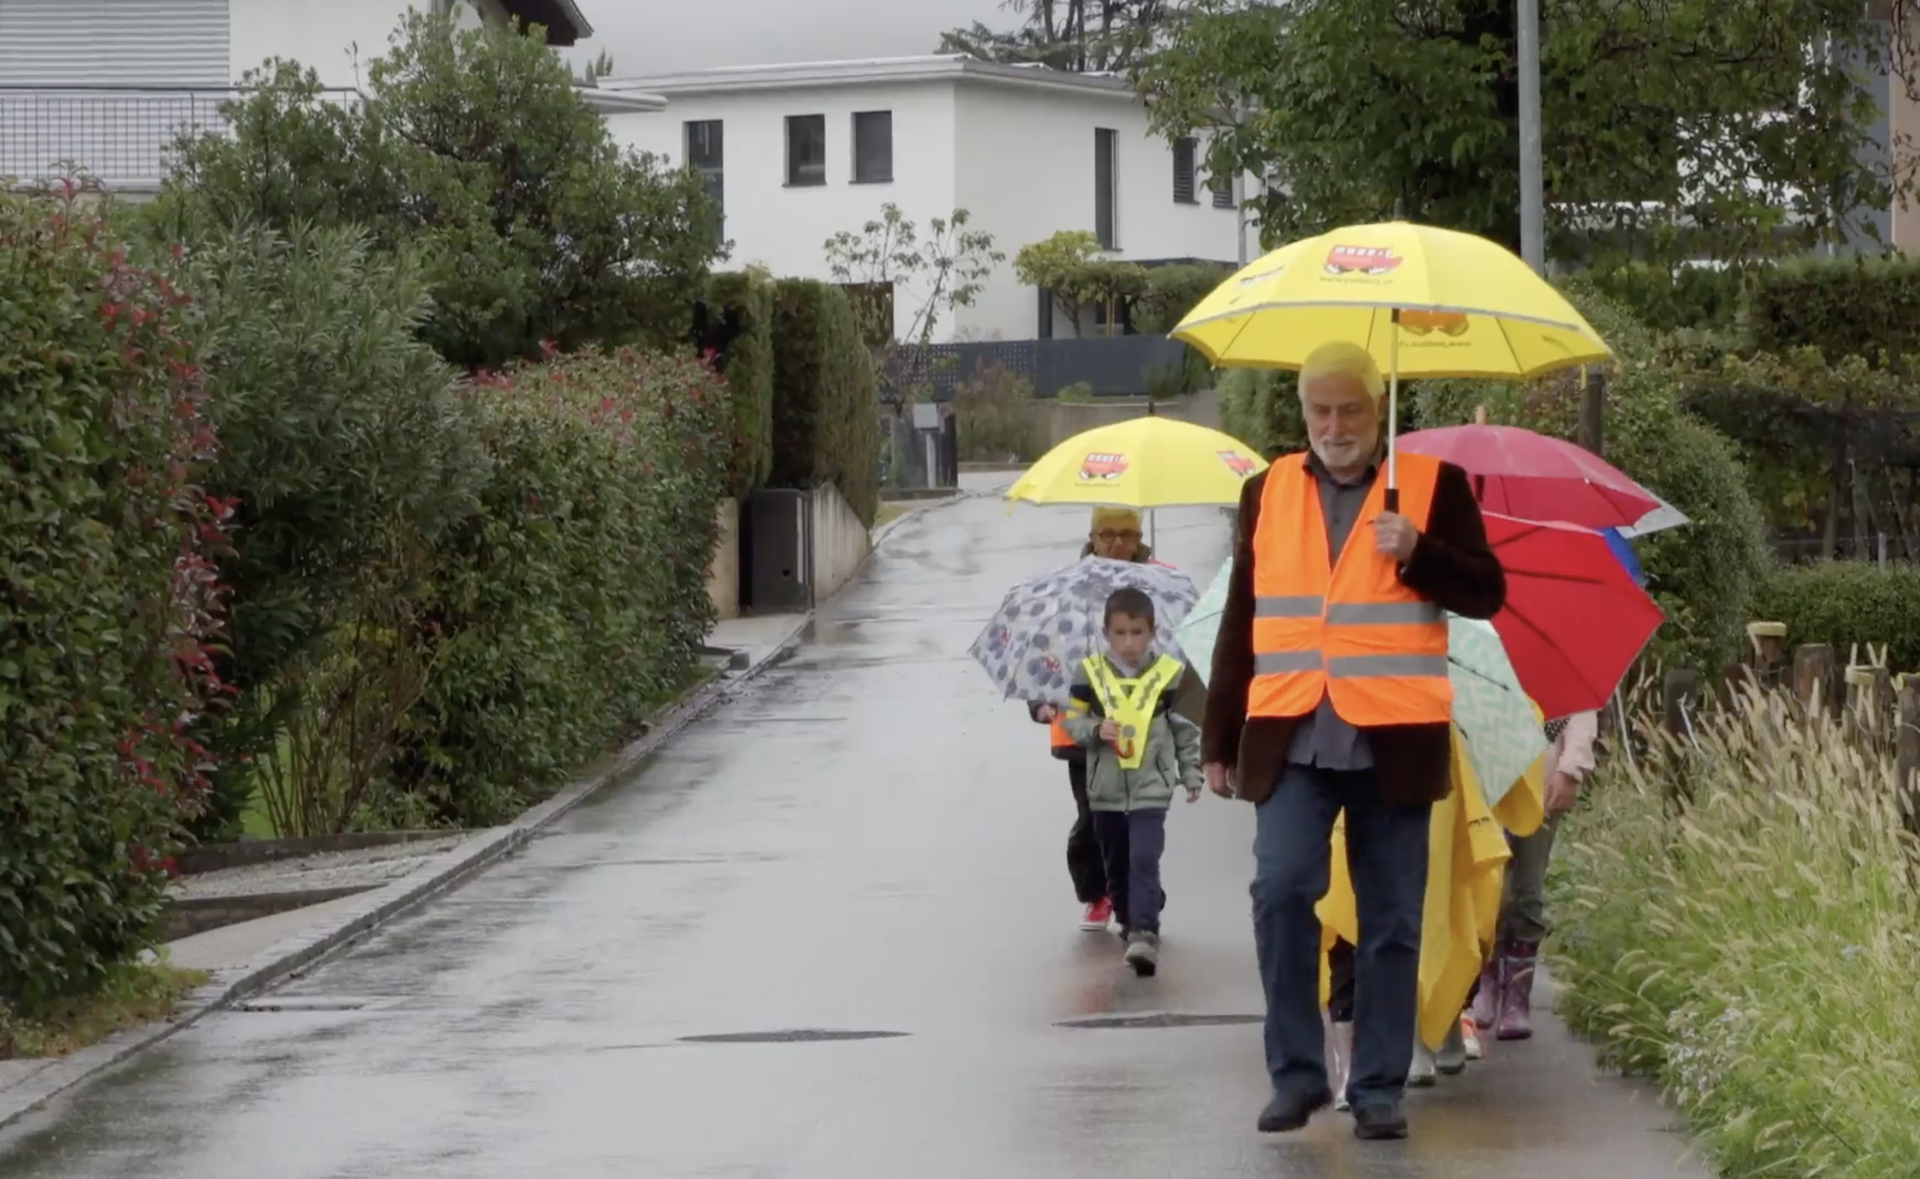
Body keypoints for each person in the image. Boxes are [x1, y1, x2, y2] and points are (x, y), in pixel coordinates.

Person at [1202, 339, 1506, 1142]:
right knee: (1280, 892)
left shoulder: (1433, 489)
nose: (1334, 425)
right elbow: (1243, 619)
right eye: (1320, 410)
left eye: (1351, 410)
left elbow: (1486, 591)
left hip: (1395, 741)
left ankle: (1376, 1088)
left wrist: (1420, 553)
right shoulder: (1267, 491)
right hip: (1291, 733)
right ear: (1304, 412)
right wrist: (1218, 737)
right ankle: (1297, 1075)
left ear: (1379, 412)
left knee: (1392, 920)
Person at [1031, 507, 1205, 933]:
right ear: (1091, 535)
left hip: (1148, 736)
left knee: (1141, 827)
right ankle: (1099, 892)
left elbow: (1186, 657)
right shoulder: (1070, 591)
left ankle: (1138, 897)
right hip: (1087, 735)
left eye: (1125, 533)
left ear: (1138, 536)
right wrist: (1041, 703)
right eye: (1106, 533)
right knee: (1095, 820)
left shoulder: (1160, 591)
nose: (1115, 543)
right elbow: (1047, 652)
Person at [1060, 586, 1204, 977]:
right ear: (1106, 633)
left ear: (1151, 632)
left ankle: (1145, 932)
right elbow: (1071, 721)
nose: (1129, 642)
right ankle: (1129, 918)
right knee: (1117, 864)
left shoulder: (1168, 676)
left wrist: (1191, 771)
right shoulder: (1088, 674)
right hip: (1105, 791)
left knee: (1144, 856)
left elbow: (1186, 729)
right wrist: (1094, 728)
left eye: (1137, 632)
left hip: (1150, 788)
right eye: (1120, 633)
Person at [1470, 709, 1598, 1041]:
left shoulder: (1553, 663)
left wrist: (1569, 770)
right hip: (1485, 781)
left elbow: (1580, 713)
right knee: (1487, 889)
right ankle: (1482, 985)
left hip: (1539, 784)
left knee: (1527, 892)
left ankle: (1517, 996)